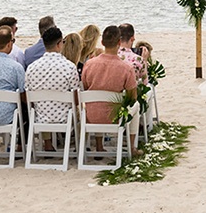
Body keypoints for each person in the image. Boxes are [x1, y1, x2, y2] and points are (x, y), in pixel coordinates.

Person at [81, 25, 140, 156]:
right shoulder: (126, 68)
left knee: (95, 103)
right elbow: (132, 97)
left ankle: (99, 145)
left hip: (91, 116)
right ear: (119, 42)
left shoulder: (89, 64)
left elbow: (85, 88)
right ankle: (132, 147)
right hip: (114, 117)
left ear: (102, 42)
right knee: (137, 105)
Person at [26, 26, 81, 152]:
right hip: (64, 119)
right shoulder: (69, 67)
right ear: (59, 44)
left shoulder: (32, 68)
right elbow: (75, 98)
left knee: (42, 105)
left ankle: (47, 143)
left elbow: (29, 96)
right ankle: (77, 145)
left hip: (40, 118)